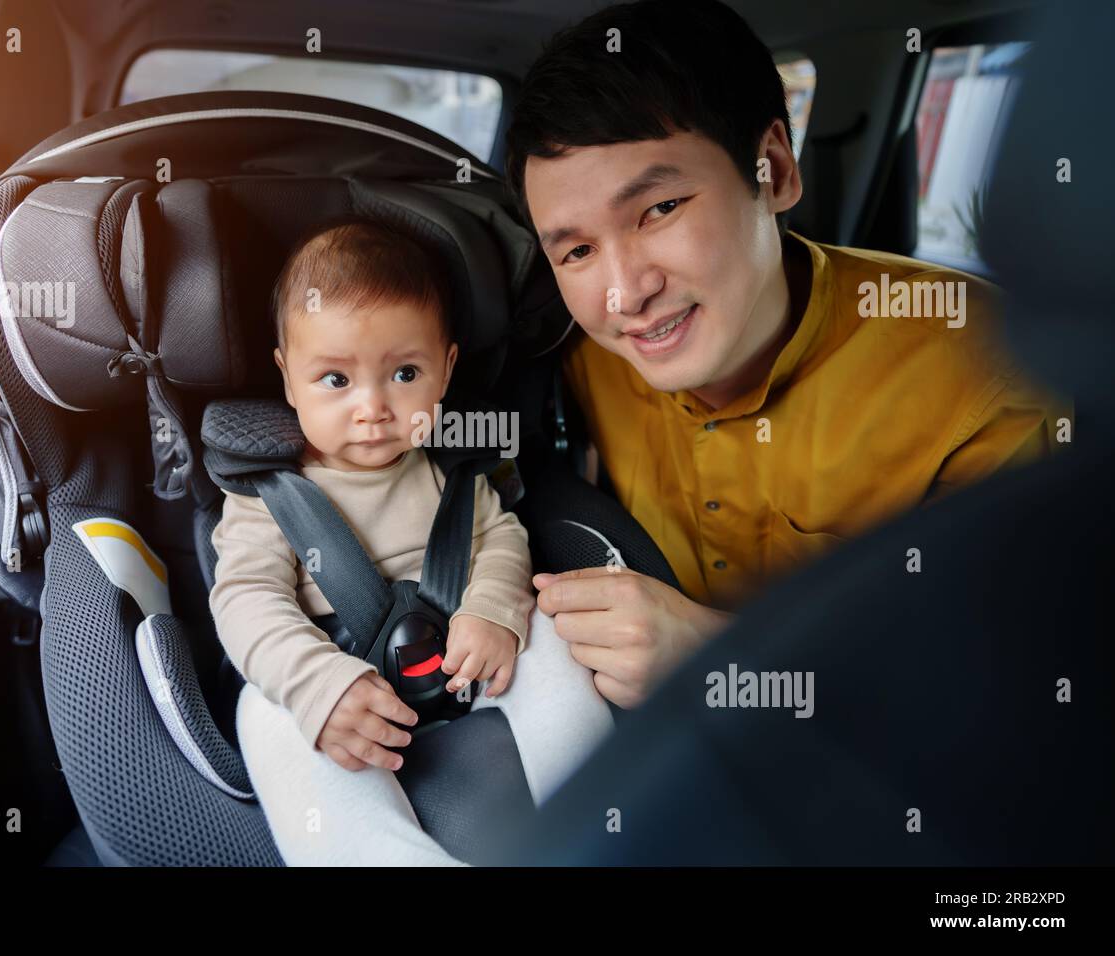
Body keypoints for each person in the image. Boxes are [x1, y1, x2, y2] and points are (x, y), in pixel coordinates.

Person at [504, 0, 1066, 709]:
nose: (625, 294)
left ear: (772, 169)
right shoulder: (574, 354)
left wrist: (720, 659)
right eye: (578, 250)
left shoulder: (982, 367)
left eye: (659, 210)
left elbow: (1007, 686)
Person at [208, 218, 615, 865]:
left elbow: (501, 539)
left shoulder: (450, 467)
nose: (372, 407)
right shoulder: (270, 494)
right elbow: (244, 600)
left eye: (404, 373)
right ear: (288, 379)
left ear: (447, 369)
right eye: (335, 380)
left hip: (462, 662)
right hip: (334, 678)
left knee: (551, 642)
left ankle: (596, 821)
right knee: (269, 717)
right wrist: (318, 683)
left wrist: (492, 611)